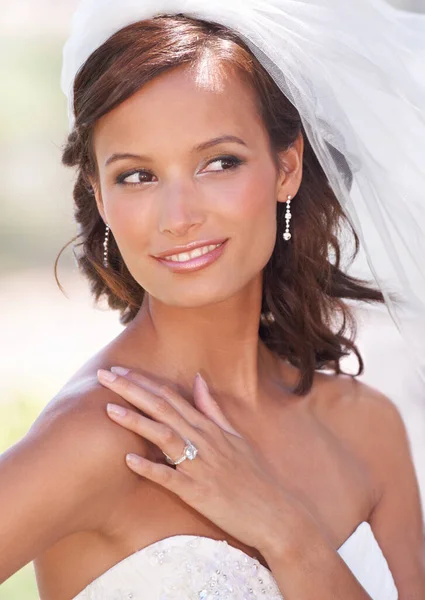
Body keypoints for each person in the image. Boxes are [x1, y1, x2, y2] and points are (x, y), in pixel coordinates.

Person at [1, 1, 425, 599]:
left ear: (287, 167)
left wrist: (285, 533)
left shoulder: (367, 429)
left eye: (218, 162)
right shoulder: (101, 438)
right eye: (137, 175)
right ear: (99, 195)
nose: (179, 217)